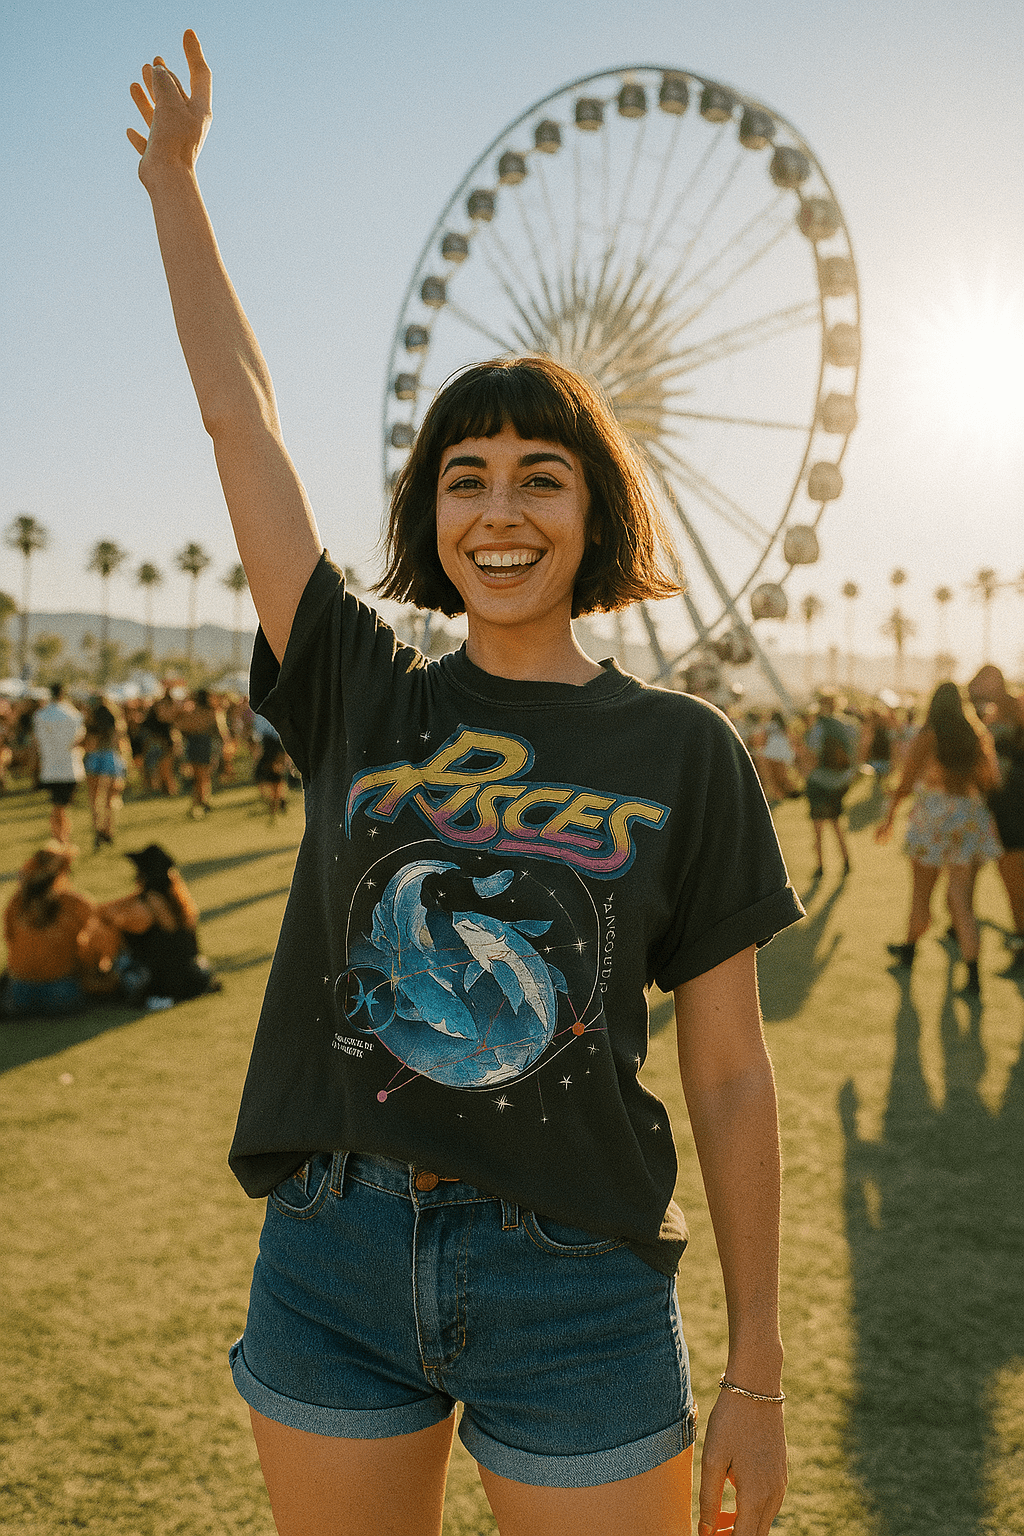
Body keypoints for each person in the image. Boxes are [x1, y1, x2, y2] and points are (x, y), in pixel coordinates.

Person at [129, 34, 802, 1536]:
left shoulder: (684, 748)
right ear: (429, 518)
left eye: (540, 476)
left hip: (578, 1279)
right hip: (335, 1253)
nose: (501, 511)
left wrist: (756, 1370)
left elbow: (730, 1073)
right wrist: (177, 189)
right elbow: (242, 421)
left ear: (597, 507)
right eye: (465, 479)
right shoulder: (362, 688)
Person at [876, 681, 1001, 996]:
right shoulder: (976, 734)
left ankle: (909, 950)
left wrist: (889, 817)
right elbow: (992, 779)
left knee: (921, 895)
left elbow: (906, 781)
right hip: (968, 817)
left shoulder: (928, 736)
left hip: (932, 818)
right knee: (962, 901)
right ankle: (973, 975)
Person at [2, 844, 122, 1017]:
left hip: (19, 992)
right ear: (63, 872)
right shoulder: (75, 903)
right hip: (61, 993)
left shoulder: (17, 903)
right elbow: (100, 942)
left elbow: (10, 940)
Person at [98, 844, 220, 1005]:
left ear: (143, 875)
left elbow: (106, 916)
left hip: (164, 983)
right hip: (193, 976)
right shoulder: (177, 899)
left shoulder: (146, 906)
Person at [967, 664, 1024, 966]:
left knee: (1014, 881)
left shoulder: (1013, 709)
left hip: (1012, 806)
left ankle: (1021, 941)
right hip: (999, 805)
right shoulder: (990, 713)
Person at [800, 693, 858, 879]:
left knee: (818, 829)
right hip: (840, 782)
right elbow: (855, 752)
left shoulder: (817, 726)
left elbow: (810, 754)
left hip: (819, 781)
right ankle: (846, 862)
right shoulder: (849, 725)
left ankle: (820, 866)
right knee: (837, 824)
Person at [31, 683, 86, 845]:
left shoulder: (41, 714)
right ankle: (62, 838)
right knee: (62, 807)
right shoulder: (73, 713)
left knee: (58, 806)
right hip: (70, 767)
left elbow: (36, 740)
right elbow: (79, 737)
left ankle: (59, 837)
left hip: (50, 767)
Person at [83, 695, 130, 850]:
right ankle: (109, 829)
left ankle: (97, 828)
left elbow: (88, 744)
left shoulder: (91, 722)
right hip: (111, 757)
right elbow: (121, 743)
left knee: (94, 798)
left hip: (94, 757)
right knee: (111, 798)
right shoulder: (116, 721)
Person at [177, 686, 227, 817]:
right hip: (205, 743)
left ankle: (200, 801)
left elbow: (181, 726)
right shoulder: (212, 711)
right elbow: (221, 730)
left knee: (198, 776)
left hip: (193, 742)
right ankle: (202, 801)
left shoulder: (191, 712)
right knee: (204, 776)